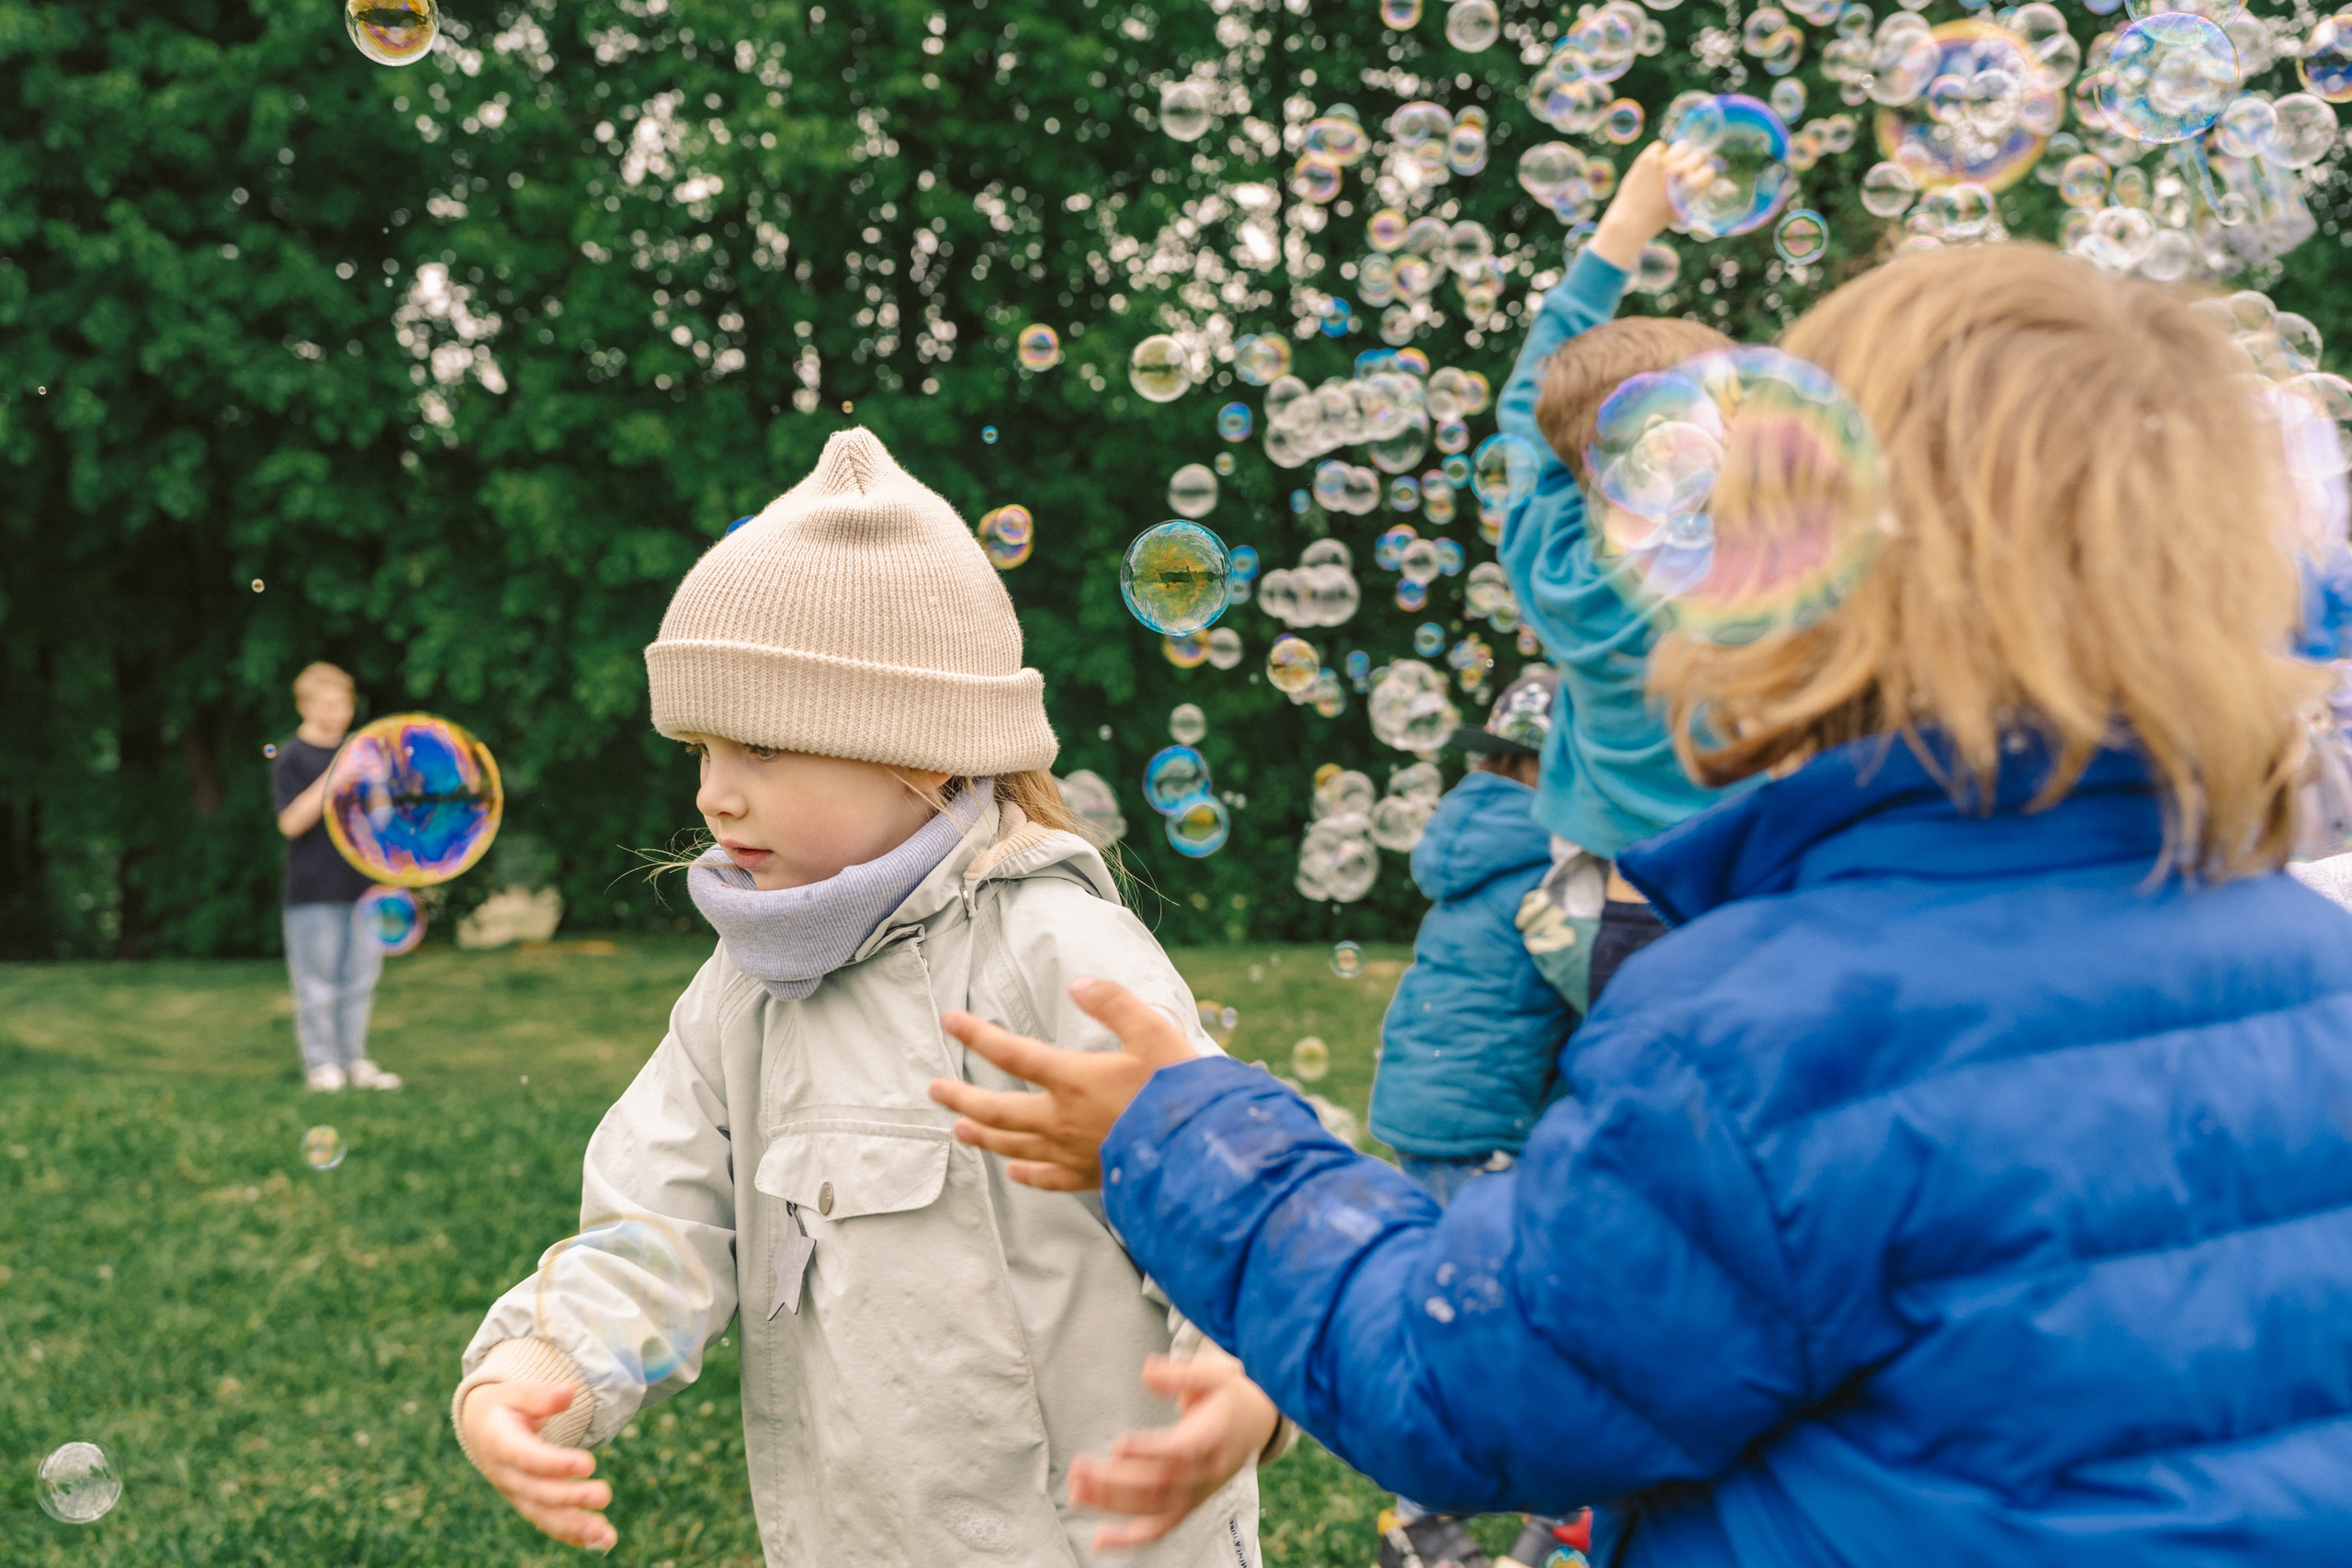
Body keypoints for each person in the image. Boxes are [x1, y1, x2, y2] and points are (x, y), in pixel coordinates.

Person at [931, 245, 2352, 1565]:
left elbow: (1471, 1386)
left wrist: (1185, 1133)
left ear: (1797, 588)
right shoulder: (2322, 967)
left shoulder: (1760, 1027)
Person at [447, 429, 1290, 1565]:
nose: (715, 795)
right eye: (699, 748)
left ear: (925, 753)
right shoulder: (741, 995)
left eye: (761, 746)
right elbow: (662, 1224)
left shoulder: (1058, 952)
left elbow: (1220, 1195)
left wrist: (1240, 1378)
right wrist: (540, 1366)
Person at [1495, 141, 1737, 1020]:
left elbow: (1528, 403)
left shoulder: (1546, 552)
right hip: (1744, 906)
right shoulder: (1745, 577)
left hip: (1617, 916)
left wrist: (1625, 228)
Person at [1369, 671, 1574, 1568]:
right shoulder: (1550, 868)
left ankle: (1433, 1521)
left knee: (1455, 1309)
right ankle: (1496, 1520)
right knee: (1518, 1322)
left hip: (1427, 1116)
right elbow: (1600, 987)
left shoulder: (1470, 847)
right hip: (1488, 1128)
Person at [272, 661, 401, 1093]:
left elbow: (381, 818)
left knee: (360, 980)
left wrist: (374, 780)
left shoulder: (362, 755)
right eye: (329, 703)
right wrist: (335, 775)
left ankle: (355, 1060)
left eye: (345, 703)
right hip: (313, 889)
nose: (341, 712)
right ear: (305, 705)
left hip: (363, 885)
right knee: (317, 982)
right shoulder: (292, 756)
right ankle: (322, 1065)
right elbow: (290, 823)